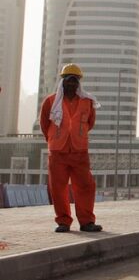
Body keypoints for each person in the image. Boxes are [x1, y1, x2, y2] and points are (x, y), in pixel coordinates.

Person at [39, 64, 102, 233]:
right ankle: (63, 222)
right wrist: (53, 139)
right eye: (69, 81)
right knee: (58, 188)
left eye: (75, 81)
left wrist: (76, 136)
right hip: (58, 152)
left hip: (79, 151)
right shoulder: (51, 101)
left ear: (79, 83)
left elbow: (90, 123)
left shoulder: (87, 102)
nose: (72, 85)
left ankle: (87, 221)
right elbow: (44, 123)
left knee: (85, 186)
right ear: (63, 82)